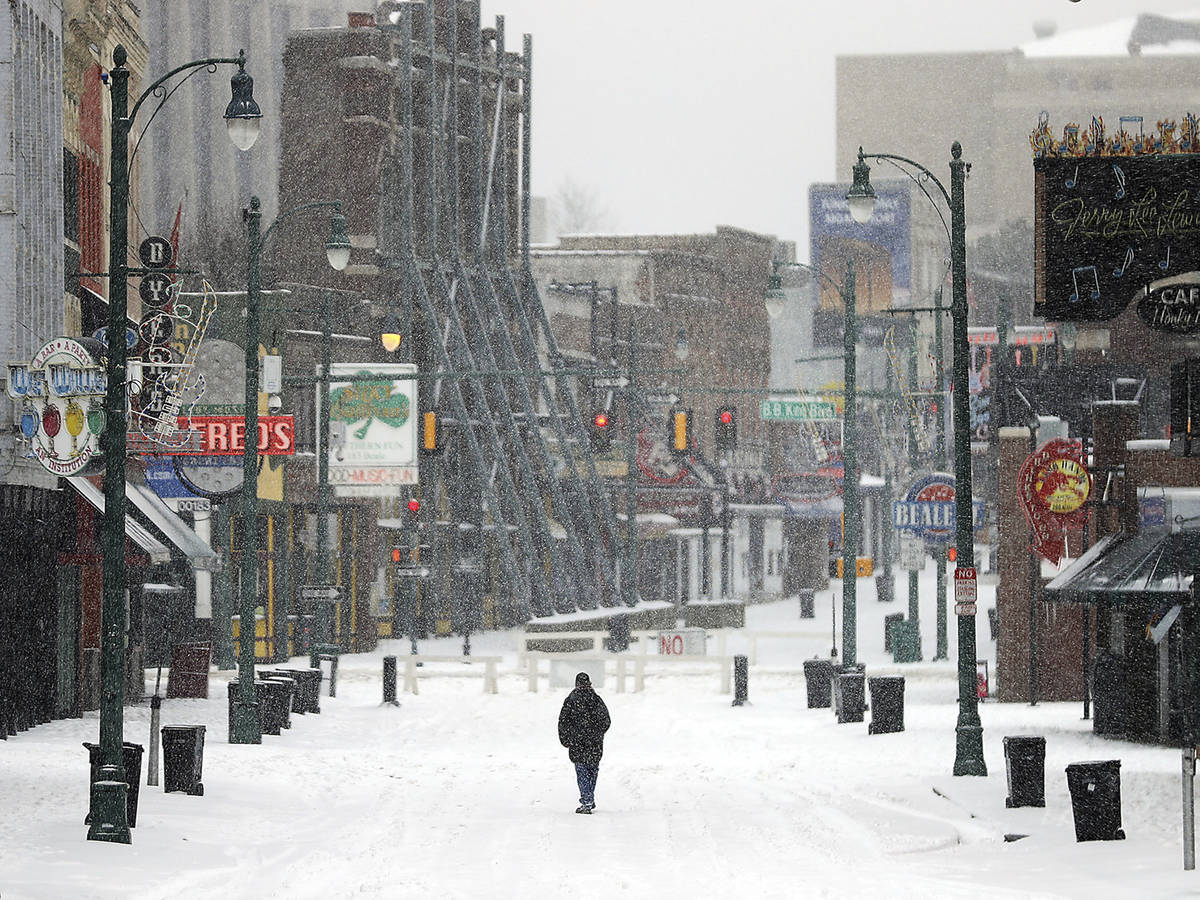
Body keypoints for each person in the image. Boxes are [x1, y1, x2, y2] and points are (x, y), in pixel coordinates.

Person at [557, 671, 611, 814]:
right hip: (594, 743)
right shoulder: (596, 699)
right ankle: (589, 798)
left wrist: (565, 738)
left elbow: (563, 721)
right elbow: (606, 720)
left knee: (582, 772)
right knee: (593, 770)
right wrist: (598, 733)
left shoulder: (570, 700)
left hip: (577, 742)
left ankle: (587, 800)